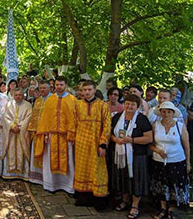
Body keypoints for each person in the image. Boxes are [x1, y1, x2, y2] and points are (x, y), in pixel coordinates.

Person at [110, 95, 153, 219]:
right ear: (124, 104)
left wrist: (132, 140)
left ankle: (135, 205)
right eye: (127, 104)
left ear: (137, 106)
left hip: (137, 155)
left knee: (136, 179)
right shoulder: (118, 117)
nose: (129, 106)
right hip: (120, 153)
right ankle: (125, 200)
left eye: (132, 105)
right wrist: (116, 139)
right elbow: (110, 133)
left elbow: (149, 138)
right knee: (123, 177)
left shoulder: (142, 119)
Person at [73, 80, 111, 210]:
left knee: (97, 169)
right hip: (81, 142)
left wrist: (103, 144)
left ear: (95, 90)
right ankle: (84, 197)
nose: (87, 92)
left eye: (89, 90)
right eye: (84, 90)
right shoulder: (77, 105)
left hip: (96, 143)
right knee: (82, 168)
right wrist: (73, 139)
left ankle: (98, 199)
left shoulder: (102, 105)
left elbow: (106, 126)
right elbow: (74, 123)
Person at [35, 76, 77, 193]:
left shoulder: (72, 100)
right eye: (57, 85)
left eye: (61, 85)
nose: (59, 87)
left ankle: (68, 187)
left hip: (66, 136)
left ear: (65, 85)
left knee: (68, 161)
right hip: (51, 135)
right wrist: (45, 133)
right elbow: (45, 118)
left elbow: (74, 118)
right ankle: (51, 185)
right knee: (50, 159)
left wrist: (72, 134)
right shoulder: (50, 100)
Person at [149, 101, 190, 219]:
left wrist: (188, 163)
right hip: (159, 161)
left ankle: (171, 210)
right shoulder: (155, 125)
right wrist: (157, 150)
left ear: (173, 113)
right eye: (164, 111)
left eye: (169, 112)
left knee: (174, 185)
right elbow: (150, 144)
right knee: (162, 185)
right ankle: (162, 208)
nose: (166, 114)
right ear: (160, 113)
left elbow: (186, 146)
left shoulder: (180, 126)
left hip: (177, 161)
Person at [2, 88, 32, 180]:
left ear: (23, 95)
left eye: (20, 95)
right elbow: (5, 117)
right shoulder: (8, 105)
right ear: (13, 95)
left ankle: (23, 174)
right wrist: (11, 126)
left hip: (22, 133)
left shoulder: (28, 105)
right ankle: (9, 174)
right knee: (10, 150)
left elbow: (29, 118)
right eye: (16, 95)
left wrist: (20, 127)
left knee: (22, 151)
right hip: (11, 133)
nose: (18, 97)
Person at [28, 80, 52, 186]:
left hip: (47, 133)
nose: (42, 90)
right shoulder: (37, 100)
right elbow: (34, 116)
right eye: (41, 88)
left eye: (44, 88)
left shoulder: (52, 99)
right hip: (37, 132)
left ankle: (46, 179)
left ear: (49, 88)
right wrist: (32, 130)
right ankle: (37, 177)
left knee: (46, 156)